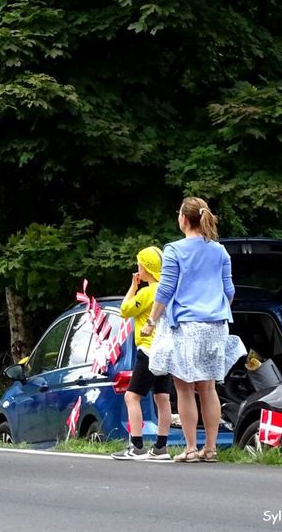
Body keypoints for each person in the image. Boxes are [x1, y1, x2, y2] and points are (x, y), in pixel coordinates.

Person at [143, 197, 243, 463]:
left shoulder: (175, 250)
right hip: (215, 325)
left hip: (187, 325)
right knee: (208, 388)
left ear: (184, 219)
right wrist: (215, 308)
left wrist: (151, 321)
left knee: (185, 388)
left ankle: (189, 448)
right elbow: (229, 291)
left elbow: (165, 290)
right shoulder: (220, 251)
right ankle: (210, 449)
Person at [111, 247, 172, 460]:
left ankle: (136, 446)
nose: (137, 268)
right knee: (162, 398)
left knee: (132, 396)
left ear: (146, 268)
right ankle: (161, 447)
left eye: (139, 264)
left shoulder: (147, 292)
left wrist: (132, 287)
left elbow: (125, 310)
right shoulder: (168, 290)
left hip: (148, 350)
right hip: (165, 351)